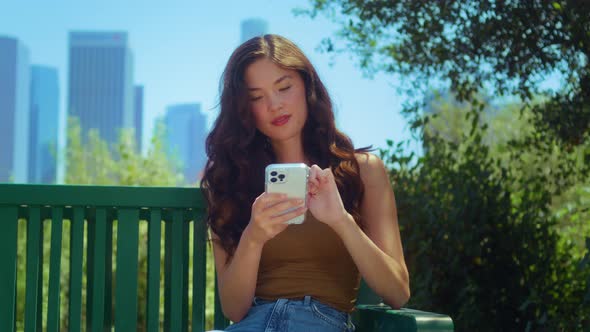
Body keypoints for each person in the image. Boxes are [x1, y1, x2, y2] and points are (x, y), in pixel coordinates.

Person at [201, 34, 410, 332]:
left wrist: (341, 220)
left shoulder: (362, 171)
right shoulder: (230, 181)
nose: (274, 105)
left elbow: (397, 292)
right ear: (244, 110)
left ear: (307, 87)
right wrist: (254, 237)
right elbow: (234, 309)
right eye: (257, 97)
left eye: (284, 87)